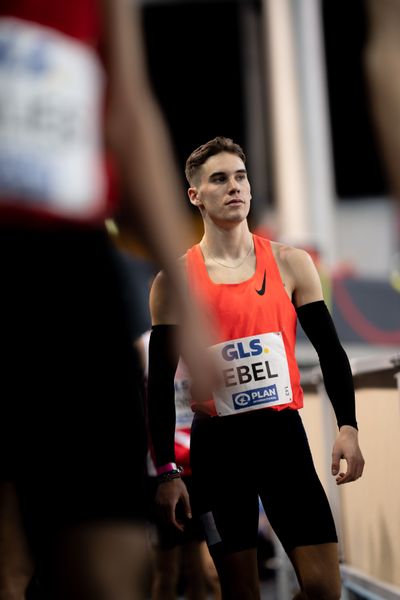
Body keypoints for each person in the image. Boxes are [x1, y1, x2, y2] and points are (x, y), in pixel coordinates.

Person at [0, 2, 214, 599]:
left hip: (68, 273)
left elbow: (130, 108)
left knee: (110, 561)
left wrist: (189, 302)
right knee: (10, 563)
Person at [147, 136, 365, 600]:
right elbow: (160, 385)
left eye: (241, 176)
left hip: (282, 441)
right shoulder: (174, 281)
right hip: (218, 451)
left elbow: (330, 351)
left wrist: (348, 426)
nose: (235, 187)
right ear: (195, 196)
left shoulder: (291, 263)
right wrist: (167, 472)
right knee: (241, 593)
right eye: (220, 179)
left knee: (326, 588)